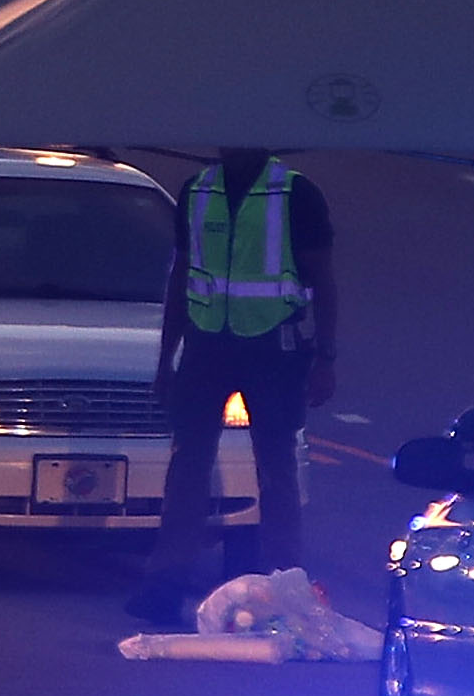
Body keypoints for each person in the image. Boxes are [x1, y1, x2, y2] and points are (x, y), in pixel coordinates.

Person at [127, 148, 336, 626]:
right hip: (206, 346)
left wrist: (325, 357)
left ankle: (284, 586)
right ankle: (166, 582)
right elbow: (180, 276)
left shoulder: (294, 193)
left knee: (276, 467)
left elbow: (323, 278)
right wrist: (166, 359)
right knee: (187, 467)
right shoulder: (198, 190)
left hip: (272, 346)